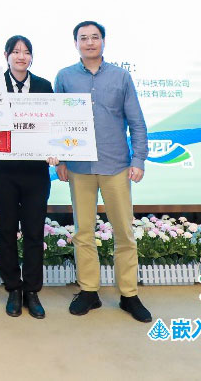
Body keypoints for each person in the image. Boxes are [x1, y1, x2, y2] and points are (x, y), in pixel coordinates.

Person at [54, 20, 151, 323]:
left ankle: (129, 294)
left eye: (95, 37)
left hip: (116, 165)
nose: (89, 42)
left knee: (124, 232)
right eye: (83, 38)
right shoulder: (65, 77)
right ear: (76, 43)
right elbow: (57, 121)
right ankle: (89, 291)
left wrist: (138, 159)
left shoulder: (121, 77)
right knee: (83, 232)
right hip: (79, 167)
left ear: (104, 41)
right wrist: (60, 160)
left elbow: (136, 121)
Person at [0, 35, 54, 319]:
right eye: (15, 51)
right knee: (5, 231)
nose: (21, 56)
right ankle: (13, 288)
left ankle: (32, 290)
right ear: (6, 56)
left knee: (34, 232)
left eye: (26, 52)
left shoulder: (44, 86)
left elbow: (53, 124)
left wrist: (55, 150)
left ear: (32, 57)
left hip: (36, 172)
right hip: (2, 171)